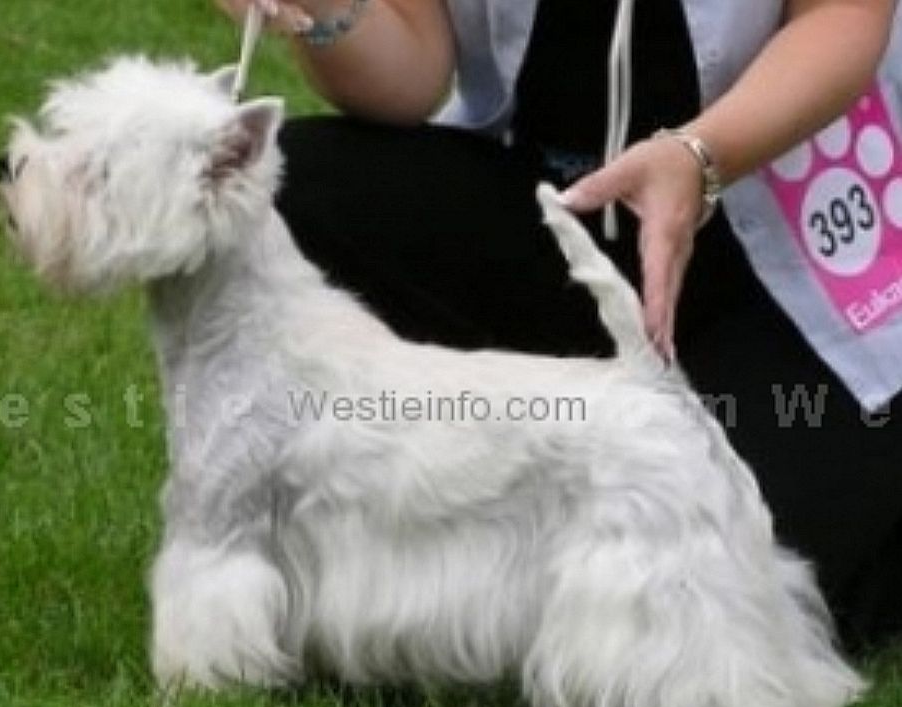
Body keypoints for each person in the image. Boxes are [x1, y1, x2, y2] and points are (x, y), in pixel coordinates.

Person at [215, 0, 902, 651]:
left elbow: (840, 17)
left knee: (737, 575)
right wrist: (326, 8)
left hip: (786, 235)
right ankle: (367, 539)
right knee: (283, 198)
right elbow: (411, 74)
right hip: (547, 207)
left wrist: (697, 156)